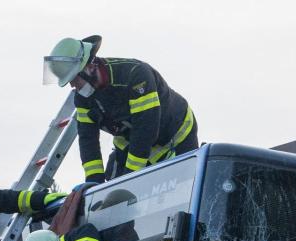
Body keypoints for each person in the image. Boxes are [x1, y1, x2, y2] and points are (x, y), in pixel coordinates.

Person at [43, 35, 198, 183]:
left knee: (183, 184)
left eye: (74, 79)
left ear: (90, 67)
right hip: (131, 141)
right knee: (113, 187)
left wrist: (130, 177)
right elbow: (87, 139)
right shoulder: (82, 98)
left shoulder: (135, 75)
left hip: (176, 134)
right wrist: (93, 180)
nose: (72, 86)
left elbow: (145, 130)